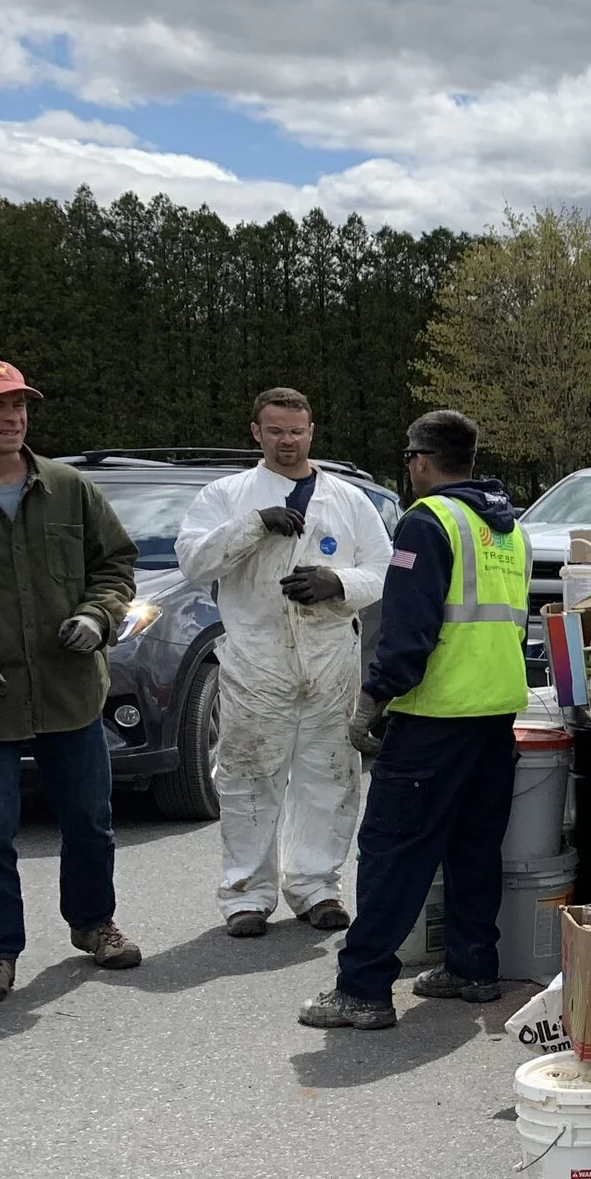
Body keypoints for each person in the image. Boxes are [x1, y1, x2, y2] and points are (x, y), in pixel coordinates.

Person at [300, 410, 529, 1030]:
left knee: (392, 850)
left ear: (420, 459)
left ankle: (363, 988)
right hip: (494, 711)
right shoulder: (506, 527)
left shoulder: (428, 521)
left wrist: (373, 699)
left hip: (434, 715)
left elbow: (409, 632)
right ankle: (471, 967)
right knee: (472, 845)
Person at [0, 358, 143, 1004]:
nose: (12, 417)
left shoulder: (69, 487)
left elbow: (117, 565)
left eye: (20, 406)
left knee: (90, 821)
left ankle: (94, 924)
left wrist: (97, 614)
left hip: (69, 690)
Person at [175, 388, 392, 938]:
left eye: (296, 431)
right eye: (275, 431)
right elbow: (195, 563)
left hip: (328, 659)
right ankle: (246, 893)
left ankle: (316, 886)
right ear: (256, 433)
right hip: (257, 660)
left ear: (312, 431)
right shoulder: (227, 495)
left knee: (330, 778)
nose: (287, 441)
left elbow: (384, 568)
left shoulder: (347, 499)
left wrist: (337, 582)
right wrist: (251, 526)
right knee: (250, 776)